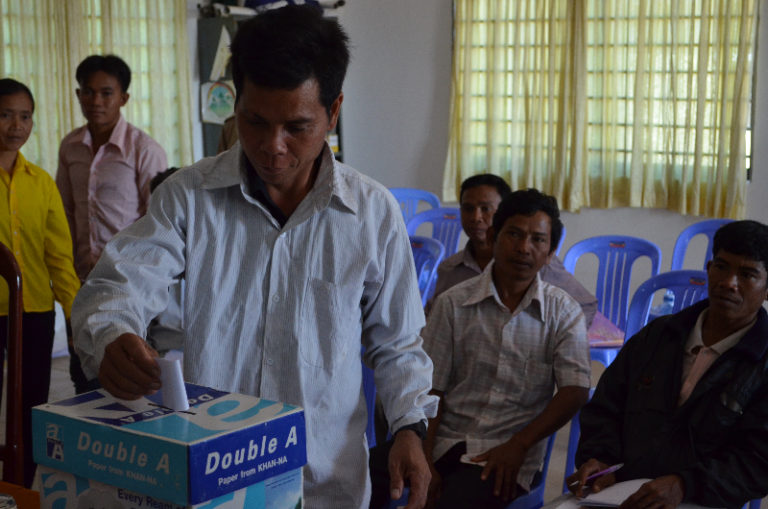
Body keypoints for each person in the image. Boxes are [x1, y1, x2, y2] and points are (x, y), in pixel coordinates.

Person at [72, 6, 437, 509]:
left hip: (322, 481)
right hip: (213, 477)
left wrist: (410, 429)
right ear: (236, 103)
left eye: (297, 126)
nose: (273, 147)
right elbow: (117, 286)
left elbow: (397, 344)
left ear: (333, 111)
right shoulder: (189, 198)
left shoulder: (372, 214)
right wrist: (112, 335)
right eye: (255, 122)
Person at [568, 220, 768, 508]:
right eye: (722, 267)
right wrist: (601, 459)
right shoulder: (658, 335)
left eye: (747, 274)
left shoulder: (762, 363)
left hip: (702, 500)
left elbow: (758, 462)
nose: (729, 283)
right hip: (620, 493)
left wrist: (685, 485)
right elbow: (605, 407)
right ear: (709, 268)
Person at [422, 189, 591, 508]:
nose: (524, 248)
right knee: (362, 478)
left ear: (550, 252)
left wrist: (520, 444)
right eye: (514, 234)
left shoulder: (563, 312)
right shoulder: (453, 303)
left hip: (506, 455)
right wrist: (424, 460)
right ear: (494, 237)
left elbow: (575, 390)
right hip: (445, 441)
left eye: (538, 240)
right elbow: (431, 389)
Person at [56, 54, 167, 393]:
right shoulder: (70, 146)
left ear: (124, 98)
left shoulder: (144, 149)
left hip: (130, 285)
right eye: (88, 92)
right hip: (82, 282)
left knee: (133, 375)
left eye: (106, 93)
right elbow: (65, 213)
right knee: (84, 376)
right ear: (78, 95)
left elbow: (157, 221)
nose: (96, 101)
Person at [0, 78, 80, 487]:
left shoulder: (41, 182)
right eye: (5, 115)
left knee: (32, 404)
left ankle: (20, 487)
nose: (17, 125)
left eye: (25, 116)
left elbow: (58, 259)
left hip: (33, 310)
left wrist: (76, 314)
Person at [428, 174, 598, 326]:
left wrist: (549, 338)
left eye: (486, 209)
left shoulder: (535, 264)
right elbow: (434, 318)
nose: (476, 217)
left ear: (504, 214)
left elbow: (585, 306)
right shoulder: (450, 269)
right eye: (468, 209)